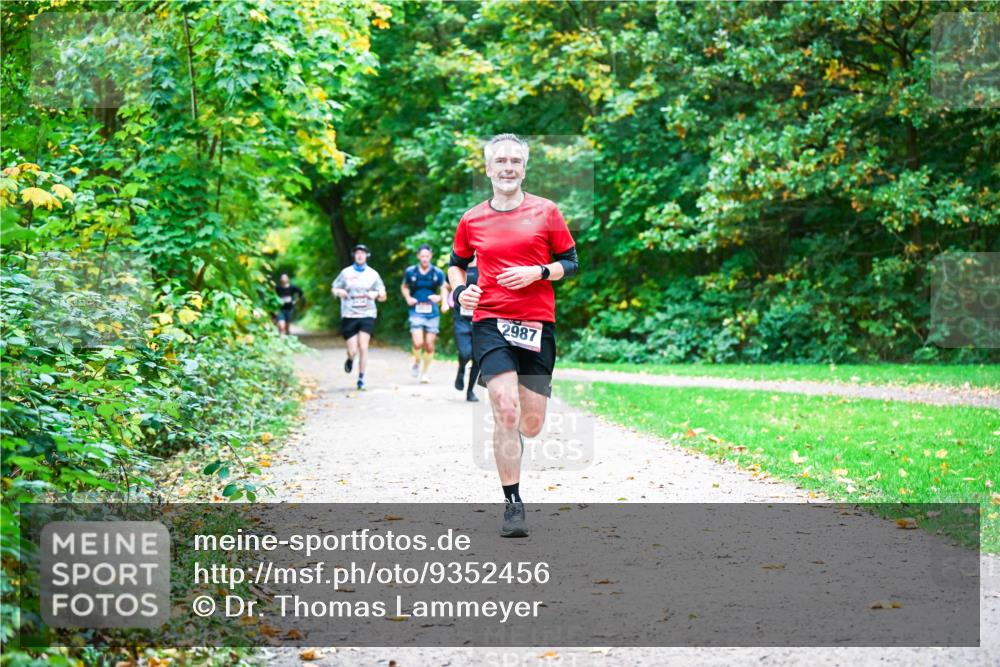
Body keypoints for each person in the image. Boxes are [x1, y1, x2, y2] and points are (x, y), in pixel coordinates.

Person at [448, 134, 578, 537]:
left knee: (532, 423)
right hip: (490, 322)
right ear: (487, 169)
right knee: (505, 409)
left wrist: (537, 272)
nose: (508, 167)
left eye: (515, 161)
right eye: (500, 161)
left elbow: (570, 263)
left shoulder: (547, 212)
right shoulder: (472, 219)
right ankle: (512, 504)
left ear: (524, 168)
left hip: (538, 323)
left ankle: (518, 432)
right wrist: (459, 291)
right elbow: (456, 264)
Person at [331, 244, 387, 391]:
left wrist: (376, 294)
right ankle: (350, 359)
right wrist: (339, 292)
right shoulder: (346, 273)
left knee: (363, 346)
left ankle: (361, 378)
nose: (360, 255)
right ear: (354, 255)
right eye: (357, 253)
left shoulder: (373, 274)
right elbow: (334, 287)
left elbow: (383, 295)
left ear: (367, 255)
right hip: (349, 314)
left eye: (362, 253)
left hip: (367, 314)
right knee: (353, 350)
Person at [401, 244, 448, 383]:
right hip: (416, 311)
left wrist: (441, 300)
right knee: (417, 343)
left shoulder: (437, 272)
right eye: (422, 256)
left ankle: (425, 373)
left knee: (429, 344)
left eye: (427, 256)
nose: (425, 259)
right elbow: (404, 287)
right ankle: (416, 361)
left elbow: (444, 288)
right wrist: (408, 298)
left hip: (432, 312)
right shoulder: (411, 271)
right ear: (418, 256)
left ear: (431, 256)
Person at [449, 257, 480, 402]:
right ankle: (461, 369)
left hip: (481, 318)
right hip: (461, 318)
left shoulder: (486, 264)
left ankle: (470, 391)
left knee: (477, 358)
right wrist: (447, 299)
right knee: (465, 352)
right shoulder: (457, 265)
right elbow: (446, 285)